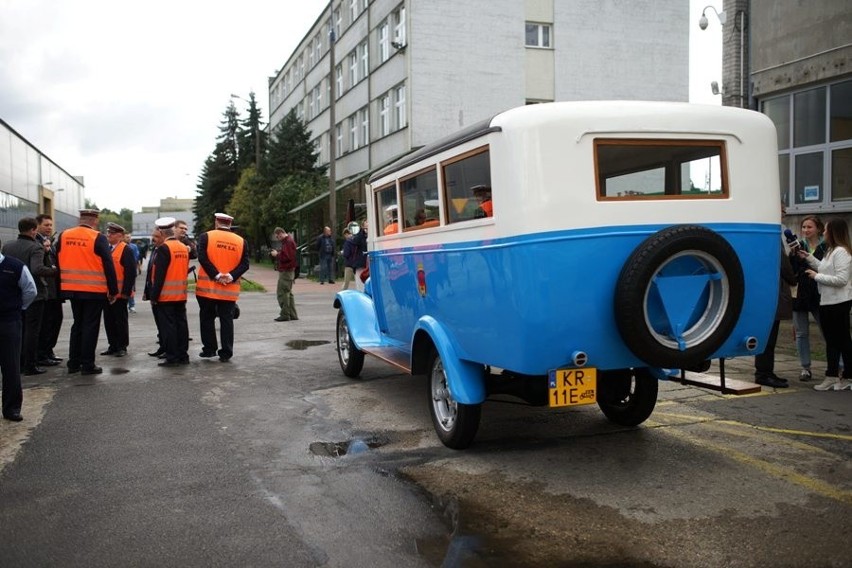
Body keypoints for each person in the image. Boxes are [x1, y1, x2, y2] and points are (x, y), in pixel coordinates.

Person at [55, 208, 118, 375]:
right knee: (90, 326)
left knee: (78, 325)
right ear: (95, 220)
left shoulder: (64, 235)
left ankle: (73, 363)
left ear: (80, 219)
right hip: (93, 290)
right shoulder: (98, 237)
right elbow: (108, 265)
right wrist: (113, 290)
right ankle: (87, 364)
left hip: (70, 288)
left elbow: (56, 259)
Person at [800, 217, 852, 391]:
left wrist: (816, 277)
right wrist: (809, 258)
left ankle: (846, 376)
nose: (823, 233)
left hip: (840, 301)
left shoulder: (842, 252)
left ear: (834, 232)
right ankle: (832, 375)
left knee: (842, 340)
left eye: (826, 230)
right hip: (828, 301)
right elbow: (823, 267)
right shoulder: (831, 251)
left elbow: (841, 279)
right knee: (832, 340)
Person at [2, 217, 59, 376]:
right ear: (34, 230)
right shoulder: (36, 247)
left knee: (18, 329)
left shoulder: (7, 246)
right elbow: (37, 269)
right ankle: (30, 365)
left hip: (13, 293)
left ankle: (18, 363)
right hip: (35, 294)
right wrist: (55, 270)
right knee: (32, 332)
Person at [196, 213, 249, 361]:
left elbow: (203, 258)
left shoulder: (206, 236)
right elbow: (245, 264)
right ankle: (226, 352)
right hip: (229, 290)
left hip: (207, 288)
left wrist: (217, 276)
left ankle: (209, 349)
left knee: (207, 318)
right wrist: (230, 276)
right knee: (226, 320)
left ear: (216, 222)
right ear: (230, 224)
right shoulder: (241, 241)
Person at [0, 241, 37, 422]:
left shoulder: (14, 266)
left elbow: (30, 290)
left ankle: (12, 408)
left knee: (11, 366)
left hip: (8, 322)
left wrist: (17, 308)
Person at [789, 215, 827, 381]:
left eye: (809, 227)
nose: (805, 230)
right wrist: (792, 255)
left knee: (827, 330)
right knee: (801, 333)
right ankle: (805, 367)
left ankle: (839, 365)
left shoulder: (826, 247)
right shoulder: (798, 246)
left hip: (820, 293)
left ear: (818, 229)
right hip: (800, 293)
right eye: (803, 227)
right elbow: (792, 270)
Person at [147, 217, 190, 367]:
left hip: (166, 295)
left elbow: (160, 276)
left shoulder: (165, 248)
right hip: (181, 294)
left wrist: (154, 296)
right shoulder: (183, 247)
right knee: (181, 326)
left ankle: (172, 357)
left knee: (169, 328)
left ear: (162, 232)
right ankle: (183, 355)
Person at [753, 244, 797, 388]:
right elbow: (784, 266)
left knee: (767, 336)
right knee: (769, 337)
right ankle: (764, 373)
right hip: (772, 292)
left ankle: (766, 371)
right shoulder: (773, 240)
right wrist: (793, 278)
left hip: (763, 290)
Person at [100, 223, 136, 357]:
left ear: (120, 236)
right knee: (109, 320)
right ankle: (112, 345)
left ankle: (122, 346)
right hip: (107, 293)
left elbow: (130, 272)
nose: (109, 235)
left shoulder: (125, 249)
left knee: (120, 321)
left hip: (120, 294)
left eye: (112, 233)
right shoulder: (106, 249)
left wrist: (126, 292)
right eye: (108, 232)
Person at [35, 214, 64, 365]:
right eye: (46, 225)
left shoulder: (50, 242)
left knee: (56, 321)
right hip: (46, 291)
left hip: (55, 291)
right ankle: (42, 354)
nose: (49, 228)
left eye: (50, 225)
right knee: (46, 324)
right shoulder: (37, 243)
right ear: (37, 225)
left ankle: (49, 350)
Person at [143, 227, 166, 358]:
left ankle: (166, 348)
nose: (153, 239)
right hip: (153, 291)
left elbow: (160, 276)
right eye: (153, 236)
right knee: (159, 323)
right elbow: (150, 273)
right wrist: (148, 291)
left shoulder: (164, 251)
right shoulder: (155, 250)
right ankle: (162, 347)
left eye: (156, 237)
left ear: (163, 237)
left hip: (162, 294)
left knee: (164, 324)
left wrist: (155, 295)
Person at [271, 227, 299, 321]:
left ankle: (285, 314)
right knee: (288, 293)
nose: (278, 239)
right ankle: (292, 314)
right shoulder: (289, 241)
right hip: (289, 271)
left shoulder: (287, 242)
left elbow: (287, 257)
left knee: (282, 293)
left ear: (280, 233)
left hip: (286, 271)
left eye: (278, 237)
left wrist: (277, 255)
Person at [123, 233, 140, 313]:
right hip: (122, 271)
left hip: (131, 270)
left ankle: (131, 305)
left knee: (131, 288)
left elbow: (136, 258)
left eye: (129, 237)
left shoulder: (134, 247)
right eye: (127, 237)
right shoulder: (120, 246)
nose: (129, 238)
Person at [350, 220, 369, 291]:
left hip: (369, 263)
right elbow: (355, 242)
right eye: (366, 226)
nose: (367, 228)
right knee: (360, 285)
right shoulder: (360, 236)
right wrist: (362, 232)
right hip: (360, 263)